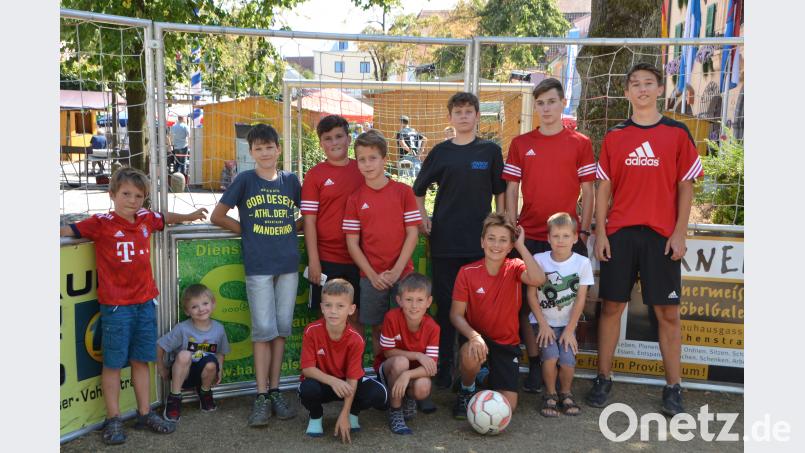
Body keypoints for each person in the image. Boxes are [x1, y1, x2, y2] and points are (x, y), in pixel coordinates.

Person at [587, 63, 703, 416]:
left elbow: (686, 185)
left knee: (667, 312)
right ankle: (604, 377)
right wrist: (601, 232)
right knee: (611, 307)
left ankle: (673, 387)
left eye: (648, 83)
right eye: (634, 84)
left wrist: (680, 232)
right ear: (626, 92)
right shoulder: (616, 136)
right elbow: (603, 189)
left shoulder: (677, 133)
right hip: (621, 234)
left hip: (661, 237)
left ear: (658, 90)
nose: (641, 89)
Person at [59, 168, 207, 445]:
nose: (132, 200)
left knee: (142, 360)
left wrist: (189, 216)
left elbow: (165, 218)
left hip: (144, 304)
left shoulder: (145, 219)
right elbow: (67, 230)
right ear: (112, 194)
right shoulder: (100, 223)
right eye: (126, 194)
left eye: (139, 196)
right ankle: (113, 418)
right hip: (116, 307)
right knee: (113, 363)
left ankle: (144, 412)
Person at [503, 77, 596, 393]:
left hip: (566, 239)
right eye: (540, 103)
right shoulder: (521, 143)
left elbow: (588, 189)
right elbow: (511, 188)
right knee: (526, 306)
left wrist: (582, 229)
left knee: (568, 297)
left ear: (562, 103)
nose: (546, 108)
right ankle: (534, 363)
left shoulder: (580, 143)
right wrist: (511, 228)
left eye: (552, 102)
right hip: (529, 237)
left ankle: (563, 365)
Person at [412, 92, 506, 389]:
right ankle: (445, 366)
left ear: (478, 116)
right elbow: (418, 189)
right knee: (446, 304)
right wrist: (422, 218)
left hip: (481, 245)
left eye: (469, 111)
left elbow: (500, 192)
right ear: (450, 118)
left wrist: (502, 226)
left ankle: (479, 364)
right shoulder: (441, 152)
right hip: (446, 242)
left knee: (479, 308)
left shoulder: (490, 151)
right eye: (459, 111)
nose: (464, 116)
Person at [210, 123, 301, 427]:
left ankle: (276, 390)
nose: (264, 152)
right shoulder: (246, 180)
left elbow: (305, 216)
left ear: (278, 148)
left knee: (281, 329)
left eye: (269, 147)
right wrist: (247, 232)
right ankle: (260, 394)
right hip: (259, 265)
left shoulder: (290, 181)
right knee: (263, 330)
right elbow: (218, 215)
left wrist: (291, 230)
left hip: (287, 265)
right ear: (250, 152)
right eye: (258, 148)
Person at [450, 213, 546, 417]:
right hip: (478, 339)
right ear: (482, 242)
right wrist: (474, 336)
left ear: (510, 246)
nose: (496, 244)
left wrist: (521, 246)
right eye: (491, 238)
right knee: (470, 353)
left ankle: (484, 377)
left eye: (503, 240)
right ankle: (466, 390)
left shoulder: (515, 267)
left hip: (506, 344)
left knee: (507, 407)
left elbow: (538, 279)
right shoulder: (467, 272)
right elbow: (456, 315)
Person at [343, 129, 422, 357]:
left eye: (373, 158)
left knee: (404, 328)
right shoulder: (355, 199)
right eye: (361, 159)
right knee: (378, 329)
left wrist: (397, 271)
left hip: (403, 274)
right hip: (371, 277)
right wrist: (373, 274)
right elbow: (352, 243)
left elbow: (412, 234)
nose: (367, 164)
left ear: (385, 159)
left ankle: (404, 379)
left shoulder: (403, 192)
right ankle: (382, 376)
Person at [298, 279, 387, 443]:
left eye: (340, 306)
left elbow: (353, 378)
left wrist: (344, 413)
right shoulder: (311, 331)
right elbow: (307, 369)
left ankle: (353, 413)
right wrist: (333, 381)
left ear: (351, 309)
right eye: (328, 305)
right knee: (308, 389)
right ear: (322, 308)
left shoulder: (356, 339)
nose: (333, 311)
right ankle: (316, 416)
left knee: (378, 394)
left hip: (346, 384)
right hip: (323, 382)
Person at [526, 212, 594, 417]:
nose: (561, 241)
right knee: (550, 356)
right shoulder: (539, 260)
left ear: (575, 238)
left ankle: (565, 392)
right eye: (556, 236)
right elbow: (531, 296)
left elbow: (581, 299)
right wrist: (543, 325)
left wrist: (570, 330)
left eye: (566, 236)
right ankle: (550, 394)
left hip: (567, 324)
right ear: (548, 238)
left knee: (567, 359)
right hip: (543, 322)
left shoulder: (582, 263)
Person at [302, 115, 364, 333]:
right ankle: (326, 367)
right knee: (328, 317)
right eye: (328, 138)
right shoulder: (314, 175)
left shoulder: (363, 169)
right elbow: (309, 221)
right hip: (327, 258)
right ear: (321, 144)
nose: (334, 142)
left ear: (349, 139)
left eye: (339, 136)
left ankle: (352, 367)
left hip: (360, 258)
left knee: (355, 316)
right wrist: (314, 260)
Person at [373, 272, 439, 434]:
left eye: (420, 300)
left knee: (423, 386)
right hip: (389, 368)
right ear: (399, 300)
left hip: (411, 373)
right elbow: (388, 353)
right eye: (409, 300)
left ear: (428, 302)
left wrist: (407, 375)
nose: (414, 306)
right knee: (401, 361)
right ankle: (395, 411)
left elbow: (431, 367)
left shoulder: (433, 327)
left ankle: (408, 397)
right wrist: (417, 355)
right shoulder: (392, 318)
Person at [158, 284, 231, 421]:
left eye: (205, 303)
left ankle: (205, 393)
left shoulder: (219, 329)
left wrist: (220, 369)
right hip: (182, 375)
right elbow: (160, 345)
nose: (201, 309)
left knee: (211, 363)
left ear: (213, 304)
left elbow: (220, 352)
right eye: (194, 306)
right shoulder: (182, 329)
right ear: (187, 311)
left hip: (204, 374)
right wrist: (161, 367)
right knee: (185, 355)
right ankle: (174, 398)